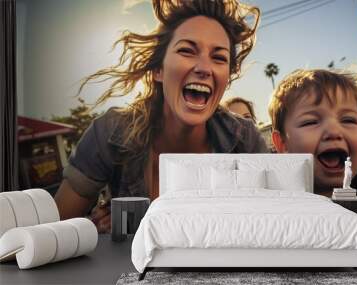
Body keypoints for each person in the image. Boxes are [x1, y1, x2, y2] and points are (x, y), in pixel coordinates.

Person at [54, 0, 268, 233]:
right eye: (186, 50)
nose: (204, 68)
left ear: (227, 76)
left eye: (219, 58)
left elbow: (270, 228)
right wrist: (94, 232)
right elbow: (54, 233)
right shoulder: (110, 132)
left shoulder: (245, 140)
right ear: (158, 70)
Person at [268, 69, 357, 213]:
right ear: (282, 143)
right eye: (311, 122)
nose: (334, 132)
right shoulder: (277, 201)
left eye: (348, 120)